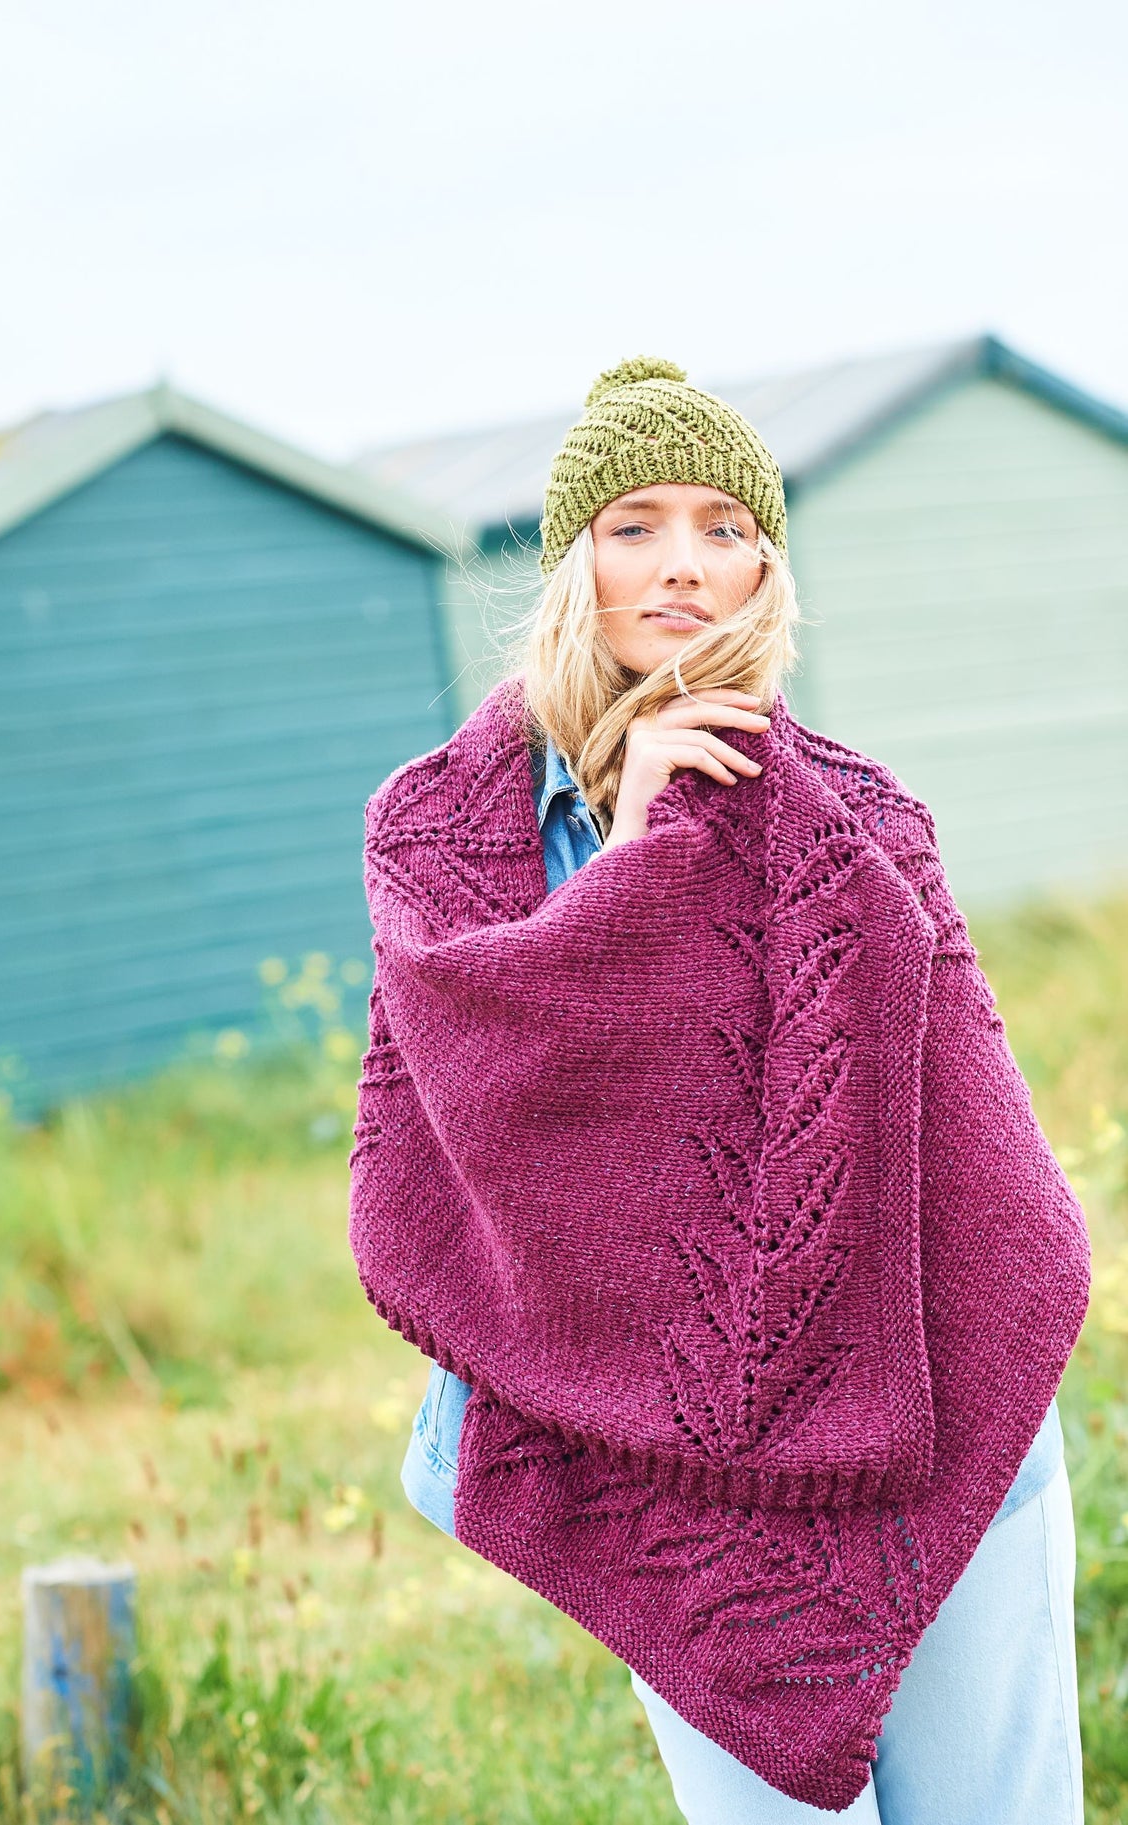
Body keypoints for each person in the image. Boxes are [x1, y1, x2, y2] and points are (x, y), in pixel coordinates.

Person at [361, 358, 1085, 1822]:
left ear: (766, 565)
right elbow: (485, 1121)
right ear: (574, 560)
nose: (681, 564)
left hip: (937, 1427)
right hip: (661, 1475)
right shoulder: (439, 828)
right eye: (634, 524)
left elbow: (972, 1155)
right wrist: (638, 861)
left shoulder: (865, 816)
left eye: (722, 526)